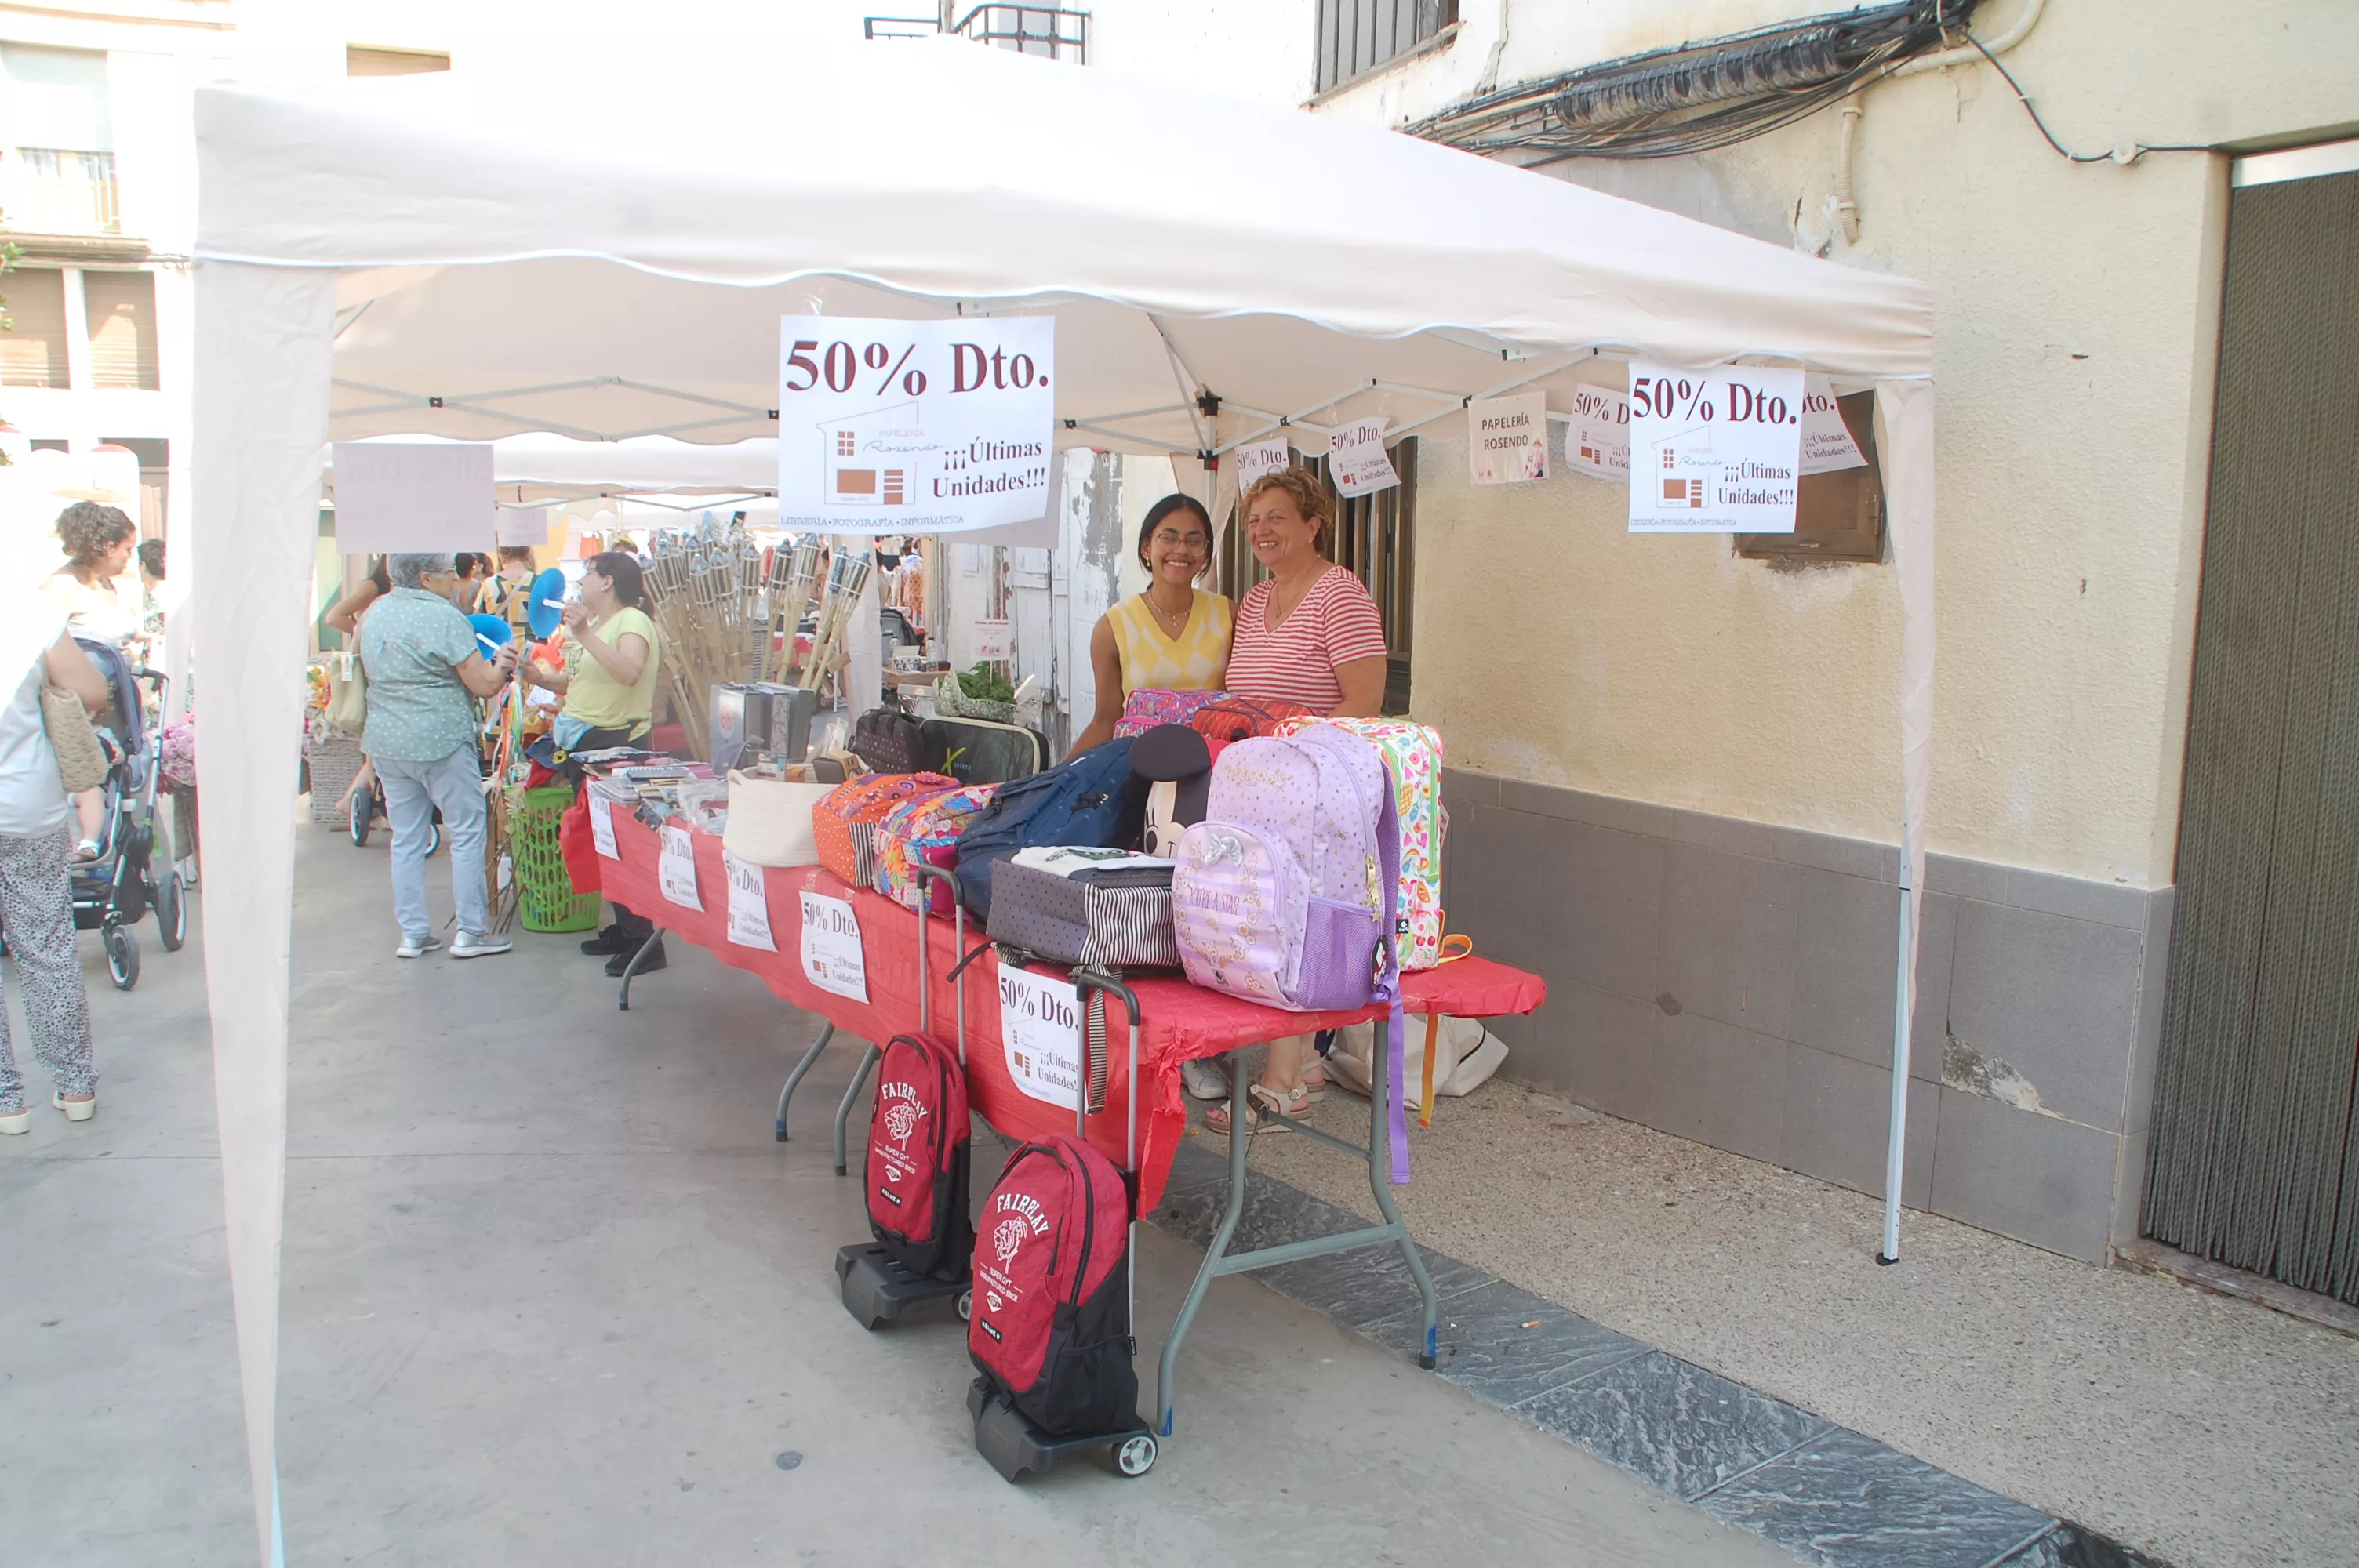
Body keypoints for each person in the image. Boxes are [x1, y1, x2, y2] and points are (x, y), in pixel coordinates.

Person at [1202, 467, 1391, 1137]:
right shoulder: (1254, 601)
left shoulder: (1340, 594)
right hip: (1259, 785)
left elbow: (1365, 698)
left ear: (1314, 524)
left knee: (1296, 922)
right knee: (1260, 920)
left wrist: (1301, 757)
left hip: (1314, 789)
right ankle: (1302, 1061)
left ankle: (1282, 1087)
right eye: (1254, 520)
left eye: (1277, 517)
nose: (1261, 531)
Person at [357, 553, 518, 960]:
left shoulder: (375, 612)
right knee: (465, 832)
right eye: (449, 574)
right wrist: (502, 666)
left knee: (406, 839)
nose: (455, 580)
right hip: (441, 738)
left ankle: (412, 934)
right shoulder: (445, 617)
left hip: (388, 741)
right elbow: (483, 685)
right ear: (427, 578)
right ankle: (470, 932)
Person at [515, 551, 666, 975]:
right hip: (587, 744)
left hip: (617, 745)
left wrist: (583, 633)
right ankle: (625, 928)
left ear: (608, 582)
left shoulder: (632, 622)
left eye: (587, 575)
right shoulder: (598, 627)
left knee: (620, 843)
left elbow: (629, 672)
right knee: (602, 840)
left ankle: (644, 941)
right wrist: (539, 678)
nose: (580, 583)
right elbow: (582, 681)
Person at [0, 587, 114, 1130]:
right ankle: (74, 1087)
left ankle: (6, 1101)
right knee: (45, 945)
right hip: (25, 806)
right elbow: (94, 690)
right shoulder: (25, 611)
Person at [1066, 494, 1230, 757]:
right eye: (1169, 537)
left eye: (1194, 540)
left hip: (1210, 773)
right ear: (1146, 547)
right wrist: (1049, 782)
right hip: (1140, 777)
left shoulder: (1228, 615)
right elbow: (1106, 722)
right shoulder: (1114, 627)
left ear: (1205, 552)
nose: (1181, 549)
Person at [42, 503, 140, 862]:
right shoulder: (61, 587)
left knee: (116, 786)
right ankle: (86, 850)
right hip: (83, 713)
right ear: (105, 545)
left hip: (117, 706)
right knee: (88, 784)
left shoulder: (105, 584)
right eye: (127, 548)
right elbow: (42, 645)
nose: (132, 556)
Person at [477, 546, 538, 634]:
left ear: (501, 555)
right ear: (527, 552)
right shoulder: (538, 582)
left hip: (499, 646)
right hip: (533, 646)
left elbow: (478, 618)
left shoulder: (488, 583)